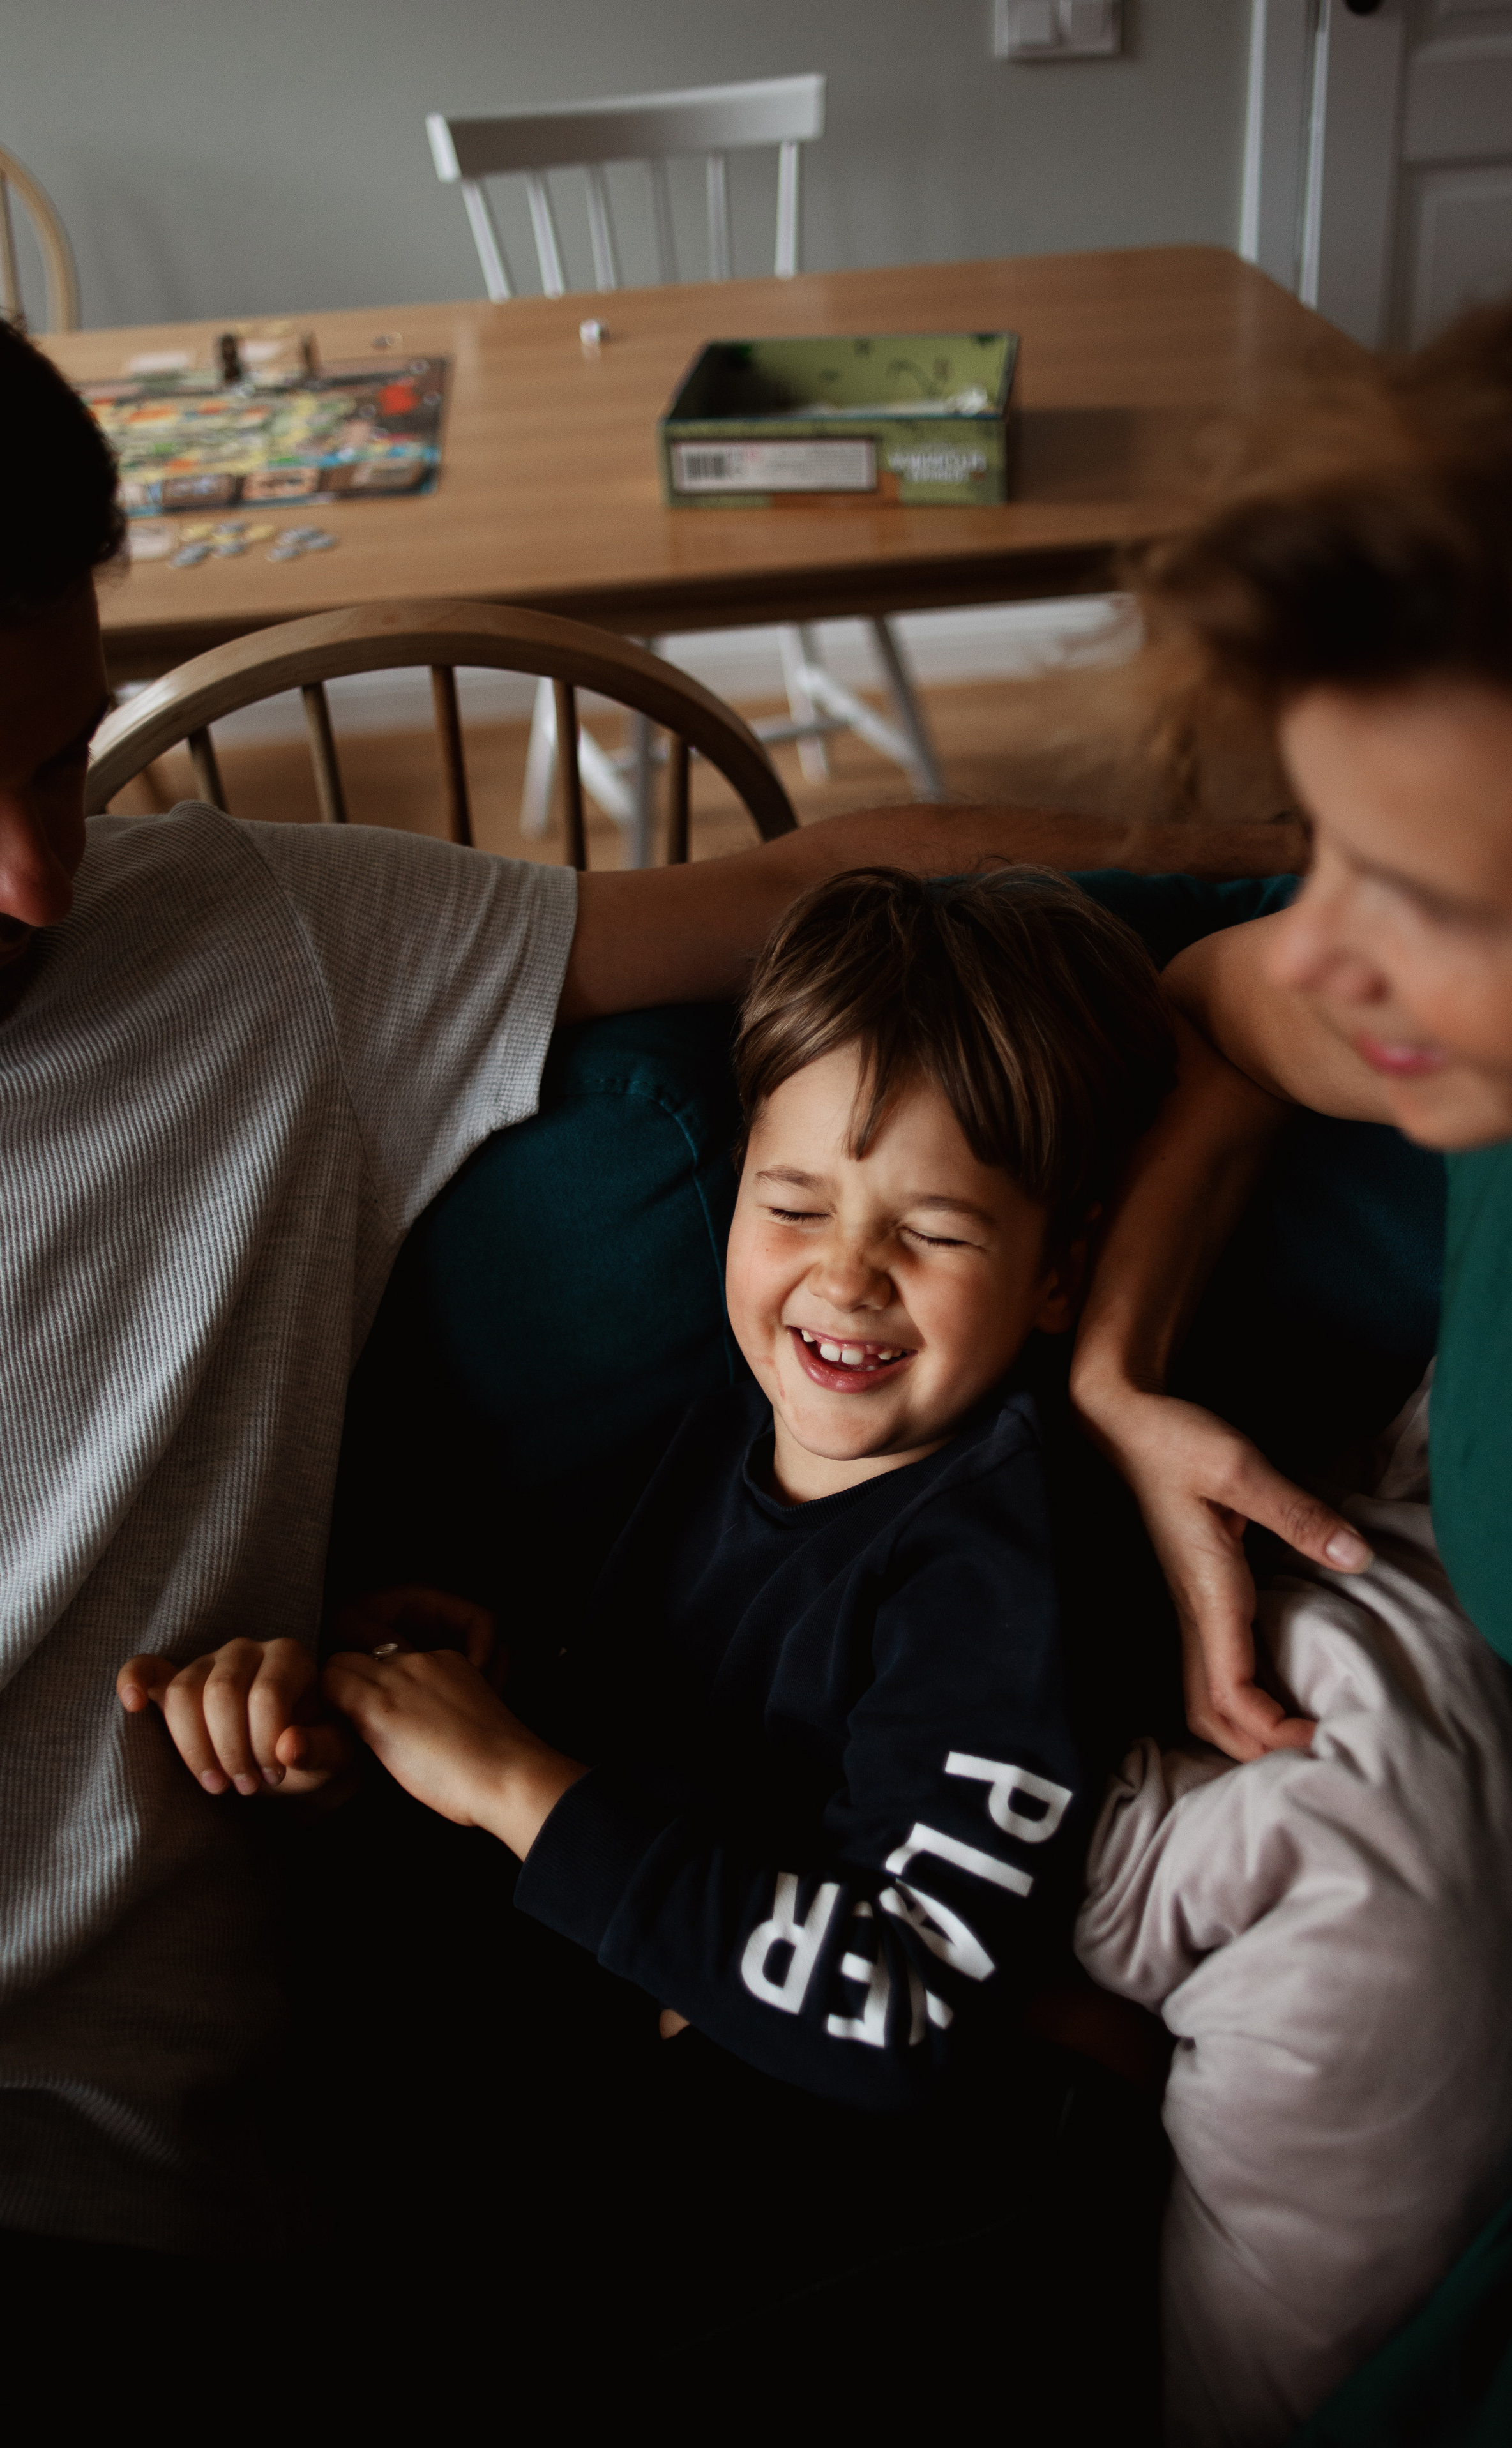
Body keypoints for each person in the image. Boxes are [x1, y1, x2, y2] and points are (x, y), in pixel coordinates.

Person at [0, 317, 1170, 2293]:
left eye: (60, 763)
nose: (39, 880)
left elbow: (838, 885)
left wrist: (1343, 913)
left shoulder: (244, 936)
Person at [126, 867, 1177, 2107]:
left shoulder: (995, 1573)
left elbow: (905, 2004)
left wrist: (515, 1786)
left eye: (933, 1232)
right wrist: (419, 1721)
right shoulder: (723, 1436)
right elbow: (672, 1766)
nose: (845, 1277)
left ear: (1057, 1275)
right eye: (792, 1205)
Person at [1070, 243, 1512, 2442]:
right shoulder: (1484, 1066)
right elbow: (1217, 1013)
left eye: (1431, 895)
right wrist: (1121, 1381)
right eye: (1322, 842)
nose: (1323, 946)